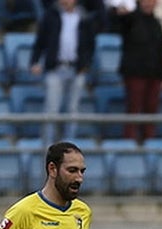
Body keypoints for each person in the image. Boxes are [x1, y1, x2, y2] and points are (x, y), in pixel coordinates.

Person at [30, 0, 96, 144]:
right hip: (56, 68)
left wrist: (86, 63)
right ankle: (47, 145)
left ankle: (69, 144)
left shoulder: (84, 17)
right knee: (51, 109)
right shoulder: (50, 16)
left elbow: (90, 43)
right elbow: (40, 41)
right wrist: (35, 61)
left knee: (73, 110)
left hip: (76, 69)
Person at [112, 0, 162, 142]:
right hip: (135, 73)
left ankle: (149, 141)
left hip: (154, 74)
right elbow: (118, 23)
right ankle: (129, 140)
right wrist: (119, 13)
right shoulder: (131, 19)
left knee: (151, 110)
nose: (148, 3)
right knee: (134, 108)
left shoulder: (157, 23)